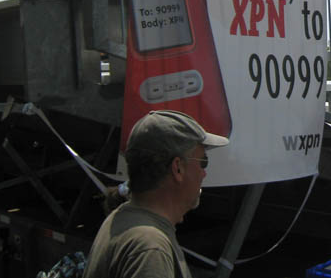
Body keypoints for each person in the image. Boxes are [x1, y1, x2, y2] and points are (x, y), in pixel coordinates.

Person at [84, 110, 229, 278]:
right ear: (178, 168)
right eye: (203, 162)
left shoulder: (122, 218)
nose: (204, 174)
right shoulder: (151, 248)